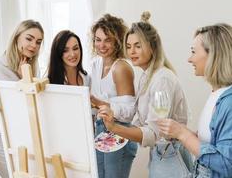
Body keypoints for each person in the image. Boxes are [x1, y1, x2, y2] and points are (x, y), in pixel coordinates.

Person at [98, 11, 193, 177]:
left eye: (138, 45)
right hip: (162, 153)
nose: (132, 51)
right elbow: (139, 119)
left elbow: (153, 133)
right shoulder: (147, 76)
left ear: (152, 46)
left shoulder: (161, 80)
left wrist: (115, 128)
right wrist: (112, 114)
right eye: (128, 46)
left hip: (170, 154)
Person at [158, 23, 232, 177]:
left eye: (193, 52)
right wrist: (181, 134)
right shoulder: (216, 93)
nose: (189, 59)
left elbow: (227, 163)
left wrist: (183, 134)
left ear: (213, 55)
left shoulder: (229, 101)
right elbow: (212, 143)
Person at [0, 19, 44, 177]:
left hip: (23, 139)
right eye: (29, 38)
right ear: (17, 37)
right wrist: (21, 80)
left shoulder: (31, 66)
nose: (34, 45)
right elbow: (4, 112)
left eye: (38, 42)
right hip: (1, 138)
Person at [90, 14, 137, 178]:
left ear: (117, 41)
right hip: (100, 129)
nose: (101, 45)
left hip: (119, 132)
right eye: (98, 39)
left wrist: (99, 103)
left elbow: (129, 112)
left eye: (107, 40)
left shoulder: (121, 68)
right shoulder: (95, 64)